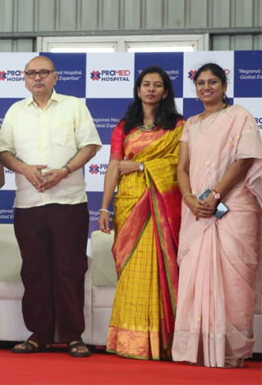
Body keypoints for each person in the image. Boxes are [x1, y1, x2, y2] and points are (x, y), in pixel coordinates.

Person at [0, 55, 101, 357]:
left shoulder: (73, 106)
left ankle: (73, 336)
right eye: (31, 73)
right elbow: (3, 151)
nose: (37, 78)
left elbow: (90, 145)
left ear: (55, 77)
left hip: (68, 202)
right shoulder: (16, 111)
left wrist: (64, 171)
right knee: (34, 271)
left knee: (71, 269)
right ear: (25, 79)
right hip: (29, 204)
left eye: (44, 73)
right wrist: (25, 169)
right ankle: (38, 334)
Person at [172, 63, 262, 368]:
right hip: (196, 209)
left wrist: (216, 195)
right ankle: (195, 348)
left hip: (234, 207)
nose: (206, 87)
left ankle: (230, 350)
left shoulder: (240, 117)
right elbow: (181, 168)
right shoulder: (191, 124)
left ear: (224, 86)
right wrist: (189, 199)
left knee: (234, 278)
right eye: (200, 83)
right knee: (195, 273)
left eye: (213, 82)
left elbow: (245, 159)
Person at [98, 66, 184, 360]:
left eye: (157, 85)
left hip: (160, 202)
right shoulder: (124, 127)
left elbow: (179, 165)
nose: (150, 89)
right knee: (132, 271)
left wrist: (142, 166)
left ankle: (160, 341)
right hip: (130, 202)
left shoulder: (177, 126)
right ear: (137, 90)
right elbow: (113, 167)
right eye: (145, 84)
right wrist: (104, 206)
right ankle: (129, 340)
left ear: (166, 91)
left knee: (158, 269)